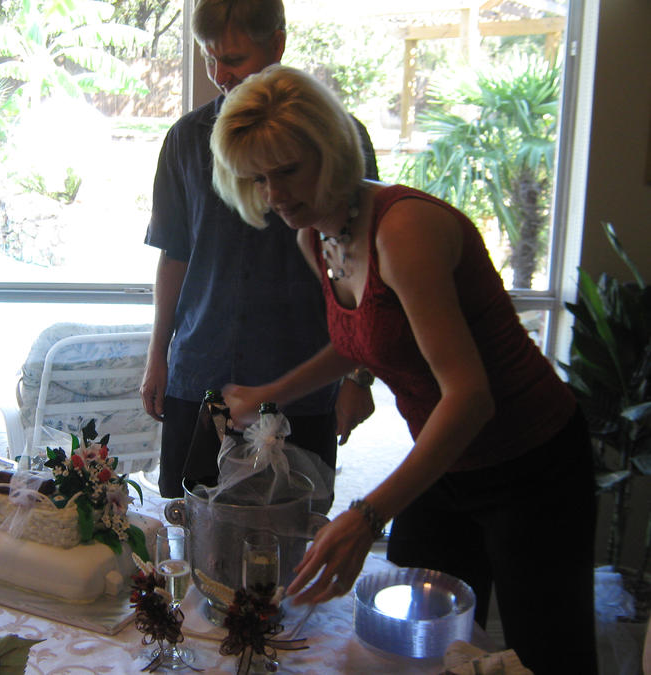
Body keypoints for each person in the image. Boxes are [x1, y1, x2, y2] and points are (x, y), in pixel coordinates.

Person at [210, 64, 597, 675]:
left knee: (546, 653)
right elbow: (368, 339)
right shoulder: (316, 239)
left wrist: (366, 515)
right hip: (449, 460)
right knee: (414, 639)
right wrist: (271, 393)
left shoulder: (404, 229)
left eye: (287, 171)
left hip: (533, 462)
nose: (275, 196)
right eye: (257, 179)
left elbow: (470, 397)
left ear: (330, 151)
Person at [141, 0, 380, 498]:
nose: (219, 75)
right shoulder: (187, 140)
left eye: (233, 58)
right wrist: (157, 356)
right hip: (201, 373)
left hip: (302, 378)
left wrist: (360, 376)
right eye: (208, 58)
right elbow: (175, 256)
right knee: (195, 523)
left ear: (277, 43)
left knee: (292, 532)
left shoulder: (338, 138)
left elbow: (364, 273)